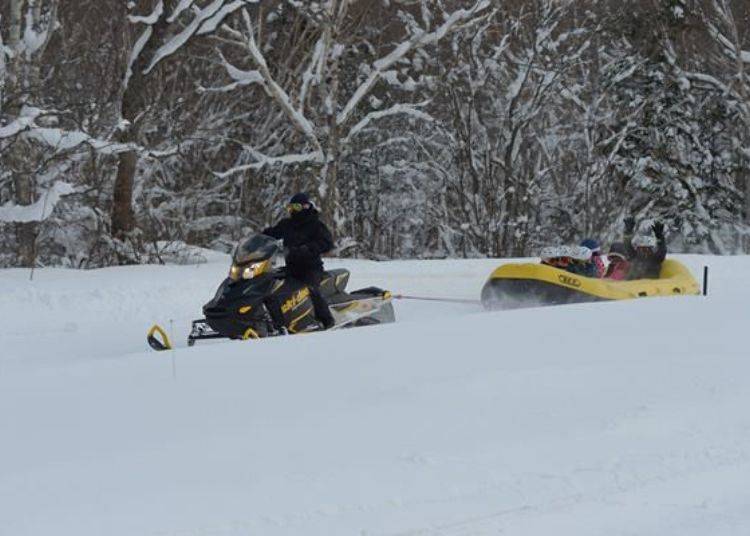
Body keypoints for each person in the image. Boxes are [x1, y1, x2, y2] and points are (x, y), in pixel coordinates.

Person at [262, 192, 336, 330]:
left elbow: (327, 243)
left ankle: (327, 321)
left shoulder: (316, 225)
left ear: (306, 206)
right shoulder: (287, 224)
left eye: (296, 207)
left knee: (311, 289)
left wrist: (308, 248)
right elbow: (271, 233)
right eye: (290, 208)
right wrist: (257, 239)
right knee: (268, 283)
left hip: (310, 268)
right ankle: (272, 317)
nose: (293, 211)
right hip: (291, 267)